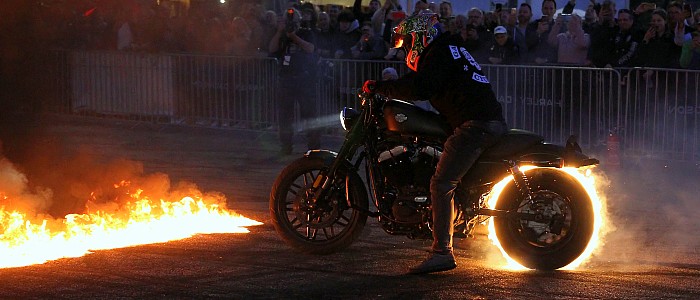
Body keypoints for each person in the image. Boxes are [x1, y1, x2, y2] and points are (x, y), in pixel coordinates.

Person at [362, 11, 507, 274]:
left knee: (441, 183)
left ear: (419, 37)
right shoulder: (450, 49)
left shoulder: (438, 53)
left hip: (475, 125)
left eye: (407, 42)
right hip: (480, 121)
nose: (406, 48)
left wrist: (382, 88)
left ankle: (442, 252)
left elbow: (420, 87)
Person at [269, 8, 321, 155]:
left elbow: (310, 48)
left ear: (299, 21)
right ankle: (286, 146)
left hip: (304, 79)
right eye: (287, 21)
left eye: (293, 21)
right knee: (285, 116)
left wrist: (294, 36)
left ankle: (313, 146)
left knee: (309, 114)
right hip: (286, 79)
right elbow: (272, 49)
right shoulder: (282, 35)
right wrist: (280, 32)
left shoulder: (306, 32)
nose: (291, 24)